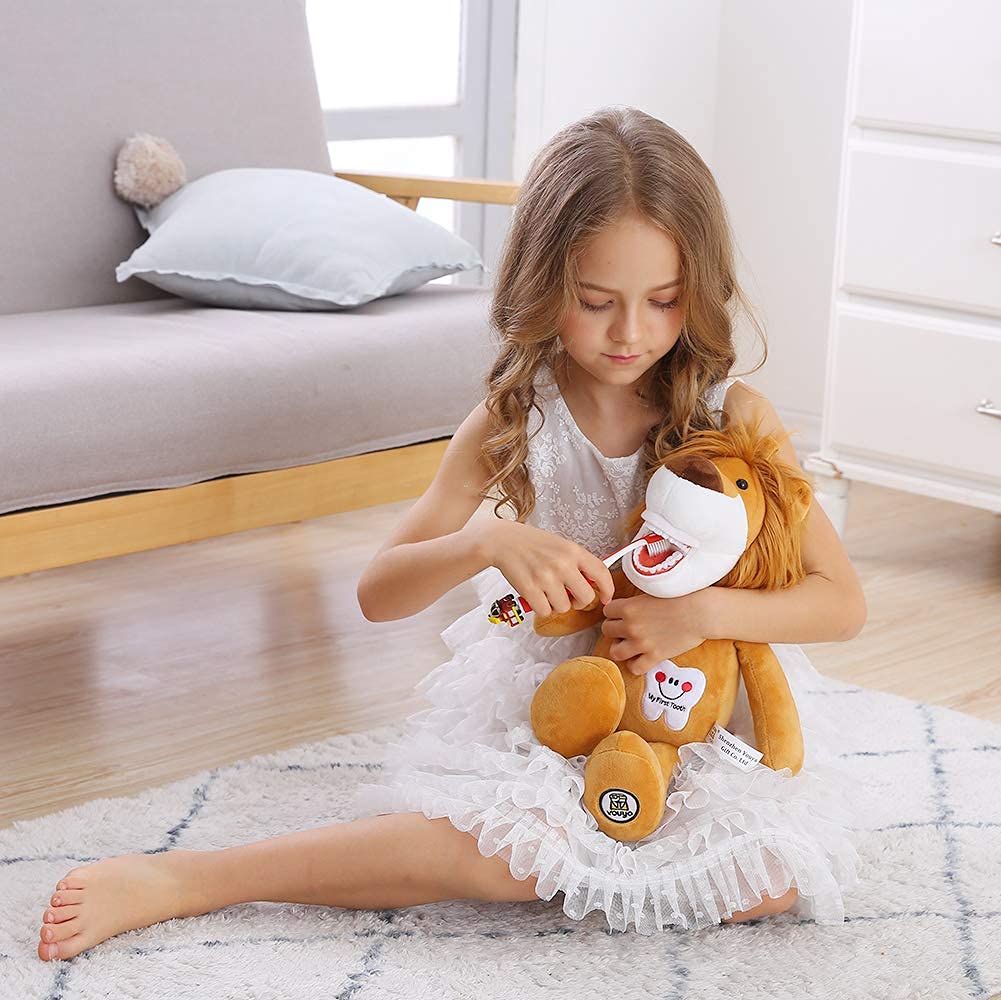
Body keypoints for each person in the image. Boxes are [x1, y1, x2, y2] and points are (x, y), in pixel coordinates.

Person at [36, 106, 866, 962]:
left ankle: (606, 858)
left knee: (772, 876)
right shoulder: (519, 416)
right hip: (559, 701)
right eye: (595, 302)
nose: (630, 333)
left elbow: (839, 604)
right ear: (544, 285)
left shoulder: (733, 416)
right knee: (507, 857)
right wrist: (487, 545)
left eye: (663, 302)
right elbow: (378, 593)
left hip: (699, 700)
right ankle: (190, 879)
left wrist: (701, 614)